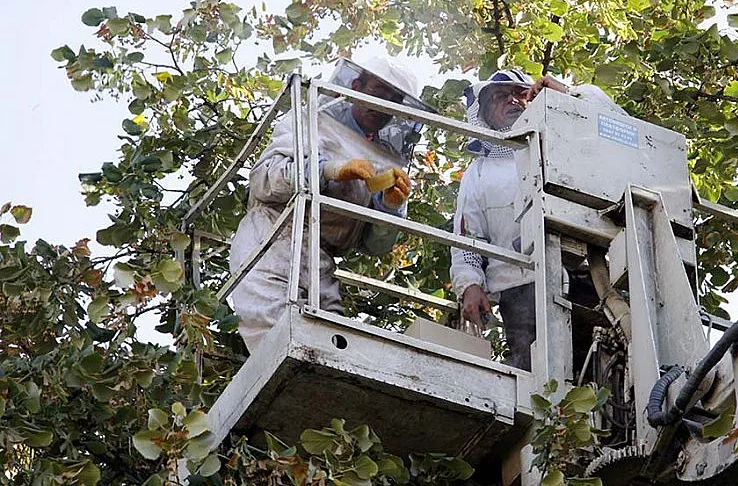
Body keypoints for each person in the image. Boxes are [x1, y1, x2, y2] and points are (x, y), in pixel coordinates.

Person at [229, 56, 428, 353]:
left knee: (330, 348)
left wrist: (390, 208)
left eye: (394, 99)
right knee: (276, 341)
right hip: (272, 239)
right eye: (378, 91)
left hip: (322, 260)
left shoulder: (386, 156)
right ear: (356, 86)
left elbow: (374, 245)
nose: (383, 104)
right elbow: (263, 180)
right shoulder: (310, 120)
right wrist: (328, 171)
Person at [450, 68, 624, 370]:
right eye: (500, 97)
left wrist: (567, 96)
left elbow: (616, 126)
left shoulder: (563, 142)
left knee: (610, 365)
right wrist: (470, 285)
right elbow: (468, 241)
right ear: (485, 114)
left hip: (589, 276)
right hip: (521, 288)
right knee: (537, 371)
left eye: (519, 93)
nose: (512, 101)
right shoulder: (478, 174)